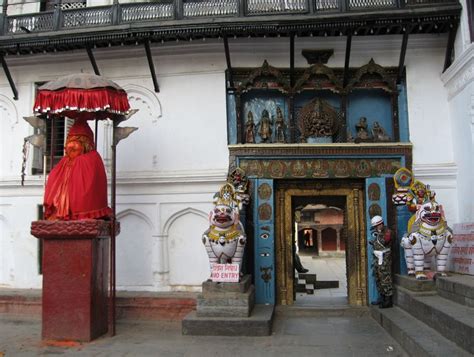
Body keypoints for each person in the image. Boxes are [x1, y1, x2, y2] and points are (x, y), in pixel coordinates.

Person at [43, 118, 112, 221]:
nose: (70, 146)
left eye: (76, 141)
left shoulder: (92, 158)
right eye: (70, 141)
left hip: (82, 213)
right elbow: (53, 178)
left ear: (86, 144)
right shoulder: (64, 161)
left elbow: (92, 186)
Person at [369, 215, 393, 308]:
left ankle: (388, 300)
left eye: (377, 226)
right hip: (377, 258)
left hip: (385, 259)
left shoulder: (387, 232)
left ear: (381, 224)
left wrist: (379, 234)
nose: (376, 228)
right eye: (375, 227)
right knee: (378, 277)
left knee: (385, 278)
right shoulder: (376, 232)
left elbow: (385, 241)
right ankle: (382, 297)